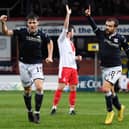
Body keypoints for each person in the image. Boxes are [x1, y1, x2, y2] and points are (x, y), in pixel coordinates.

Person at [0, 13, 53, 123]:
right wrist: (3, 23)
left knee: (39, 87)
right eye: (30, 22)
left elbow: (50, 42)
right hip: (23, 64)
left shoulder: (42, 34)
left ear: (37, 23)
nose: (32, 24)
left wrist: (50, 56)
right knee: (27, 90)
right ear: (27, 24)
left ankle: (37, 113)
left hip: (36, 64)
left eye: (34, 22)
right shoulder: (21, 32)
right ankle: (29, 111)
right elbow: (6, 32)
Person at [85, 6, 129, 125]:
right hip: (104, 68)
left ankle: (110, 112)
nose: (107, 27)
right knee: (111, 91)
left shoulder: (121, 38)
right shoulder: (102, 35)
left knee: (105, 88)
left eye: (110, 26)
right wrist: (88, 16)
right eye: (106, 25)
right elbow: (94, 27)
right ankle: (120, 108)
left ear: (115, 27)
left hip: (116, 68)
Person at [50, 5, 82, 115]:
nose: (74, 33)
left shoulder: (71, 43)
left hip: (73, 68)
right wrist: (68, 14)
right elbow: (65, 27)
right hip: (65, 67)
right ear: (69, 32)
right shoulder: (62, 39)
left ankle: (72, 109)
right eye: (73, 31)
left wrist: (76, 58)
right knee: (61, 87)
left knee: (73, 88)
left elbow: (70, 56)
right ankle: (54, 107)